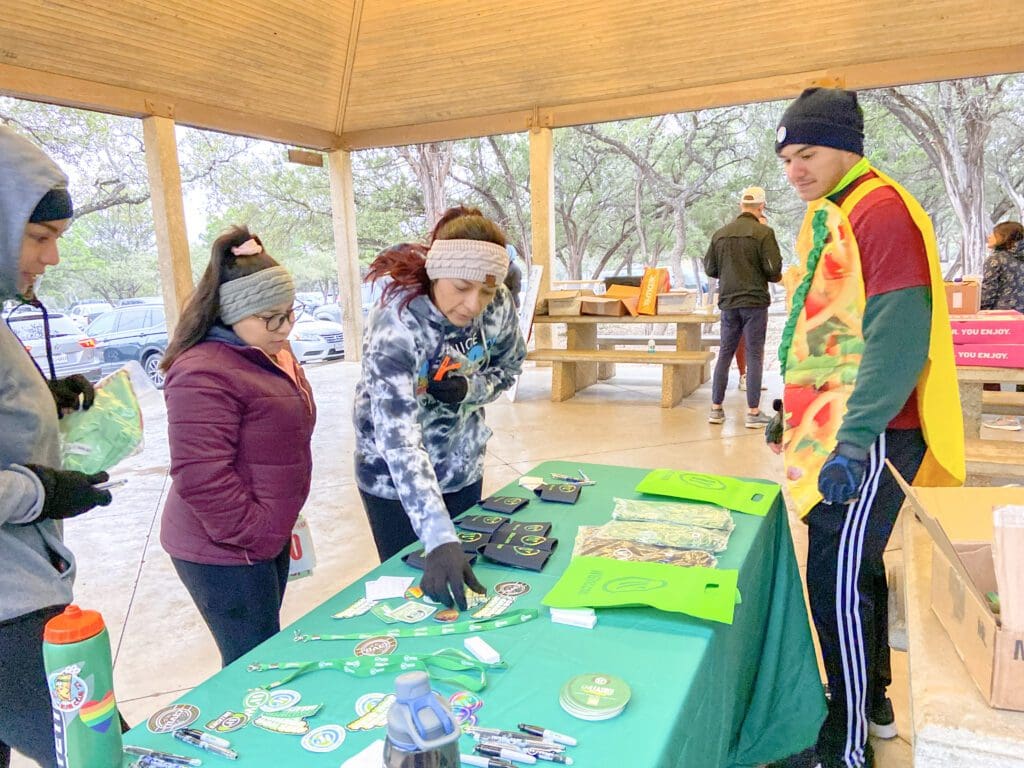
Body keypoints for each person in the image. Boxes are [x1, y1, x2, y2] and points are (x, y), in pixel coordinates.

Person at [769, 88, 965, 768]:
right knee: (855, 568)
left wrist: (854, 439)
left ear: (847, 146)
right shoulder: (839, 211)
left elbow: (897, 332)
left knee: (836, 577)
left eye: (808, 153)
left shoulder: (877, 210)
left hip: (871, 431)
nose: (794, 169)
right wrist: (791, 409)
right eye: (787, 158)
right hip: (844, 425)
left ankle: (843, 746)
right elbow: (830, 321)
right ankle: (871, 702)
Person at [0, 126, 113, 768]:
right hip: (9, 612)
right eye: (39, 238)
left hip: (24, 582)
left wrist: (43, 396)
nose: (52, 259)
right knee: (100, 753)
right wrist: (41, 491)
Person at [353, 206, 526, 610]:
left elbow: (509, 366)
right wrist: (437, 535)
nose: (473, 304)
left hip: (462, 468)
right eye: (462, 286)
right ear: (436, 272)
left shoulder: (497, 303)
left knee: (464, 588)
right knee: (413, 594)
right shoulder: (396, 322)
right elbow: (397, 439)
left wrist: (470, 388)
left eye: (485, 291)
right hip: (394, 484)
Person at [159, 226, 316, 667]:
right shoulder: (202, 372)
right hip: (223, 549)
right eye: (271, 318)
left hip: (263, 537)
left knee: (266, 645)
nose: (285, 328)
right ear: (232, 314)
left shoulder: (267, 350)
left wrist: (275, 525)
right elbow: (200, 476)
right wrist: (260, 533)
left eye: (289, 313)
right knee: (252, 665)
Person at [704, 185, 782, 427]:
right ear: (762, 207)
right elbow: (774, 270)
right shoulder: (763, 233)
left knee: (725, 353)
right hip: (755, 303)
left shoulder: (720, 234)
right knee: (754, 354)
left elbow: (710, 269)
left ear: (740, 206)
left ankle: (716, 409)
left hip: (728, 302)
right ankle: (753, 412)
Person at [979, 221, 1024, 429]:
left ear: (1004, 237)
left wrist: (976, 312)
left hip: (1000, 320)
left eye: (994, 234)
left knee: (992, 365)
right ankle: (1015, 414)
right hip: (1021, 319)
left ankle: (1001, 414)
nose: (990, 237)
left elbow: (988, 293)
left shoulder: (996, 260)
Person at [505, 242, 523, 310]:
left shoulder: (515, 269)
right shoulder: (503, 267)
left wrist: (504, 297)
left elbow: (517, 289)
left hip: (512, 304)